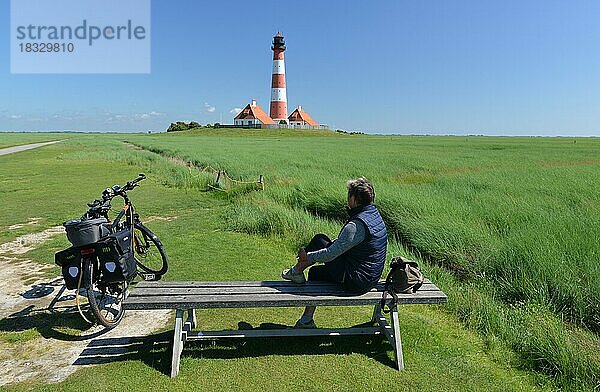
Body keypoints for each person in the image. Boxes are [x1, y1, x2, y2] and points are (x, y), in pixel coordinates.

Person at [281, 177, 387, 328]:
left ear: (354, 198)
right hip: (370, 278)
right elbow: (348, 245)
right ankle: (306, 321)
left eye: (349, 194)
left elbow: (331, 254)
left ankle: (297, 270)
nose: (347, 198)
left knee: (319, 240)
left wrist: (307, 256)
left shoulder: (357, 224)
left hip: (355, 281)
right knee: (316, 273)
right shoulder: (374, 215)